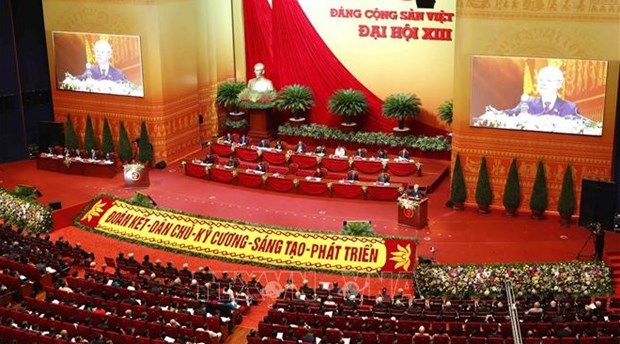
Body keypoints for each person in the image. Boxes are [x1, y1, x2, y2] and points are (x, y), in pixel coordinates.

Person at [503, 66, 582, 118]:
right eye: (540, 80)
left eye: (548, 80)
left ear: (559, 84)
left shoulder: (570, 108)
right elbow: (509, 113)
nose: (543, 83)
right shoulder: (528, 103)